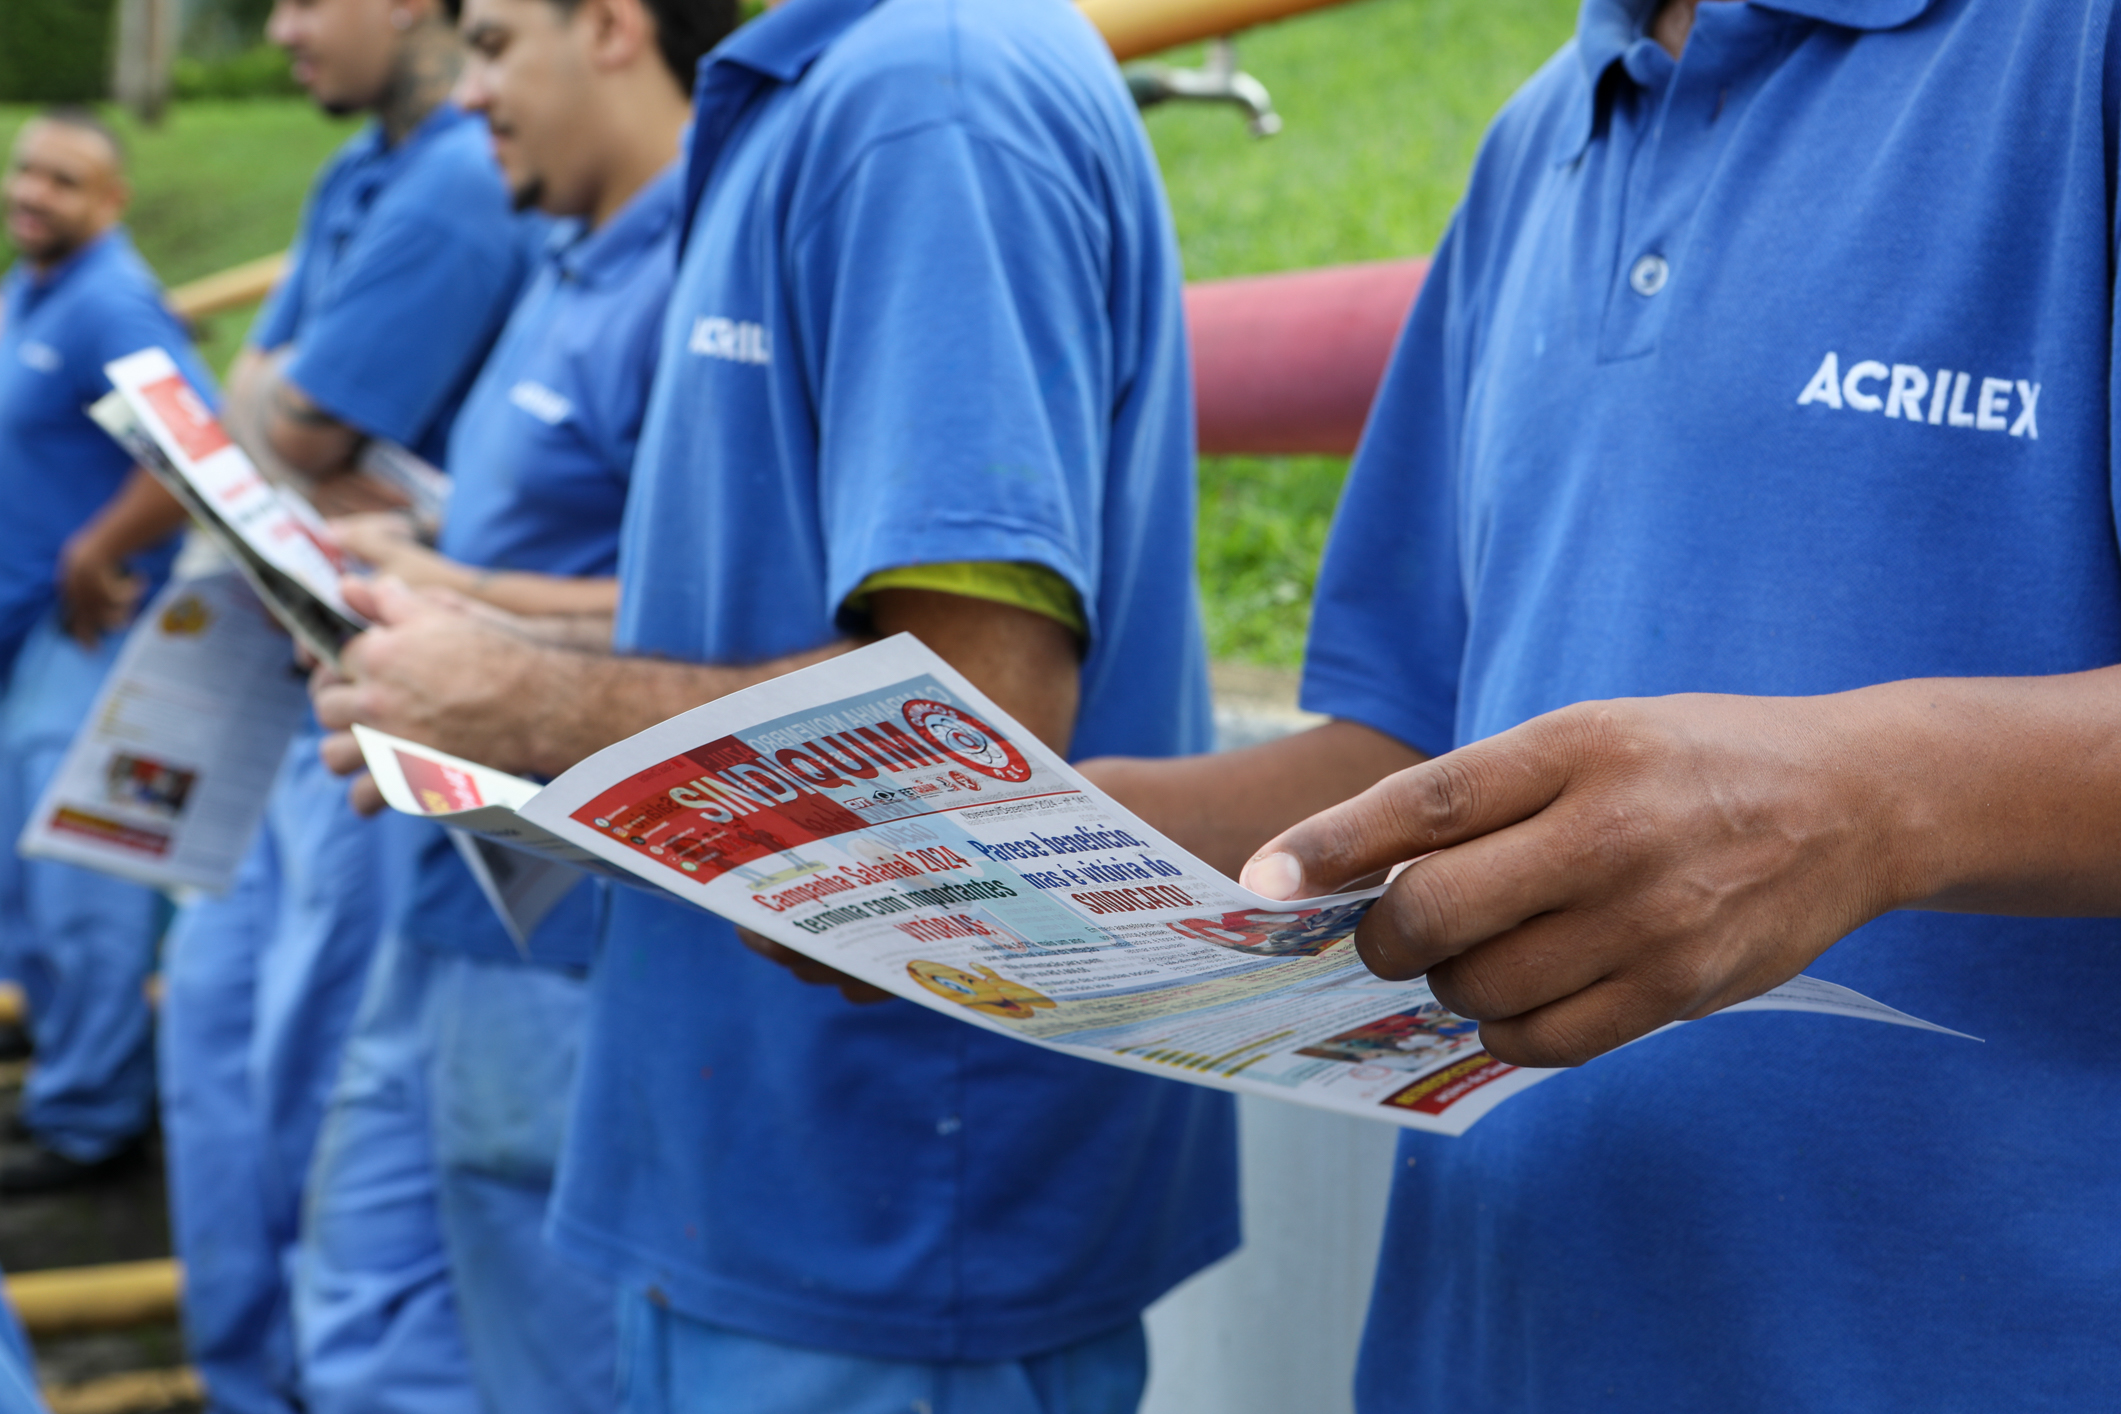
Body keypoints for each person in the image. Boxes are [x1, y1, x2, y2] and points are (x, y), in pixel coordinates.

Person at [1087, 0, 2121, 1407]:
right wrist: (1060, 847)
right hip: (1489, 1338)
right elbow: (1414, 747)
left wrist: (1874, 801)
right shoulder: (1540, 141)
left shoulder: (2068, 56)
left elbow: (1837, 797)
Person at [310, 0, 1239, 1407]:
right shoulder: (819, 85)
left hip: (887, 1200)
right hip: (778, 1167)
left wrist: (518, 701)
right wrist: (484, 665)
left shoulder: (932, 93)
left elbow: (968, 724)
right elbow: (747, 611)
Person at [293, 0, 724, 1408]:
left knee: (550, 1355)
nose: (468, 95)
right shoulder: (556, 256)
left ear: (608, 28)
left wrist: (467, 618)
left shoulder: (701, 280)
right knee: (370, 1316)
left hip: (572, 937)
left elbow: (724, 634)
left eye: (489, 45)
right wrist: (426, 575)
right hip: (443, 892)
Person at [155, 0, 531, 1408]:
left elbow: (286, 422)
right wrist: (276, 418)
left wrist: (277, 418)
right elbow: (260, 403)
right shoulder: (358, 166)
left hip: (401, 707)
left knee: (333, 1088)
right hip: (320, 677)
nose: (281, 27)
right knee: (253, 1051)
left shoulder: (455, 176)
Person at [0, 108, 207, 1192]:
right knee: (23, 879)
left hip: (89, 638)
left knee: (85, 883)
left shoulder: (110, 298)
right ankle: (64, 1063)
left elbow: (187, 446)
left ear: (110, 201)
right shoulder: (34, 287)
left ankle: (93, 1124)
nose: (34, 192)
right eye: (26, 170)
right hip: (31, 643)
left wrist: (96, 547)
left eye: (64, 180)